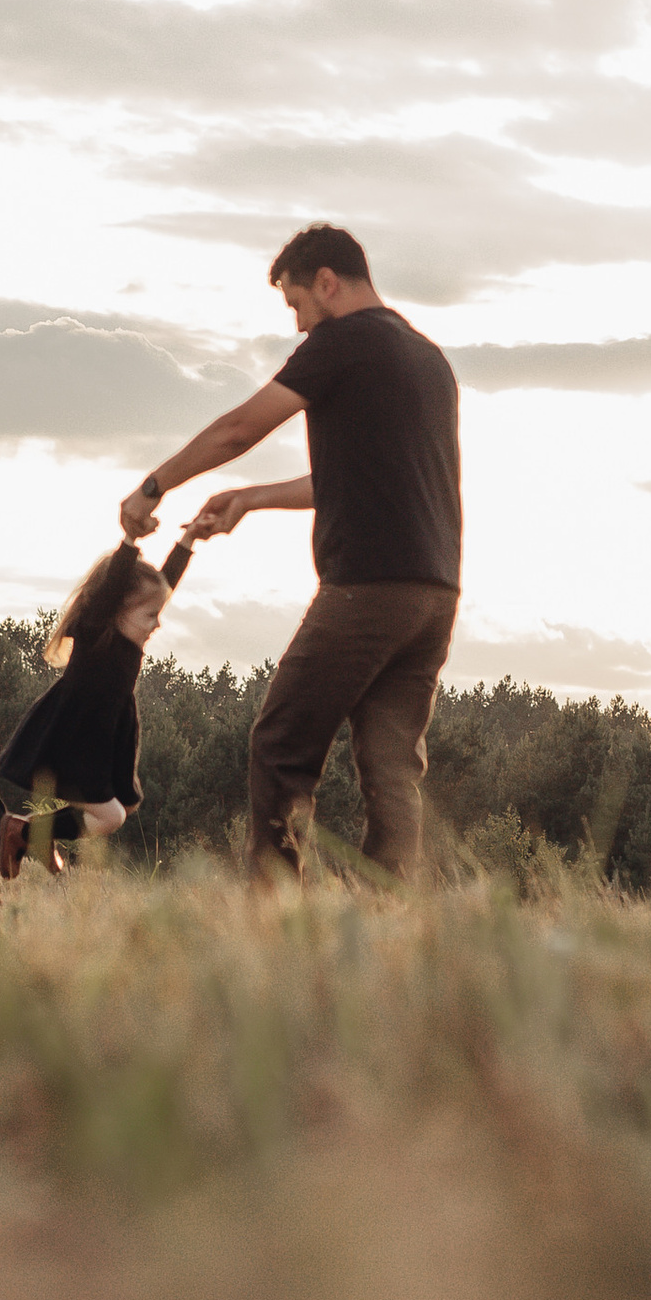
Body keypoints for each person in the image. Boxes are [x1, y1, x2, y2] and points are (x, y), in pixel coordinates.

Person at [119, 225, 458, 883]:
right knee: (392, 766)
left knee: (281, 744)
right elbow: (352, 479)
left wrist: (153, 486)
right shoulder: (426, 359)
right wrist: (252, 498)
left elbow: (238, 428)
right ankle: (390, 911)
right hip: (433, 594)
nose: (299, 325)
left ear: (326, 283)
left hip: (367, 586)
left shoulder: (343, 341)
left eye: (297, 304)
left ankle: (272, 906)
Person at [0, 535, 193, 877]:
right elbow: (113, 585)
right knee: (111, 816)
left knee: (124, 805)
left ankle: (33, 833)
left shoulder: (125, 633)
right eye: (150, 615)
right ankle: (24, 832)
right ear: (116, 608)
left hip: (107, 733)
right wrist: (130, 540)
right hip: (78, 734)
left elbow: (165, 583)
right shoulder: (97, 629)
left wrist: (188, 541)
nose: (158, 623)